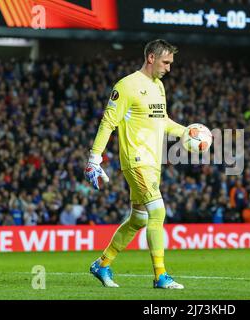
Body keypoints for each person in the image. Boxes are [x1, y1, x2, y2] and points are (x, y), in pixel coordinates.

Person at [84, 39, 195, 289]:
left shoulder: (158, 87)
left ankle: (102, 264)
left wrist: (188, 132)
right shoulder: (127, 86)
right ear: (151, 58)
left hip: (153, 163)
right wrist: (94, 158)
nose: (169, 68)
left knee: (138, 219)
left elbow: (162, 121)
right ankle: (160, 276)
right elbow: (108, 122)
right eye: (166, 62)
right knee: (158, 212)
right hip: (136, 160)